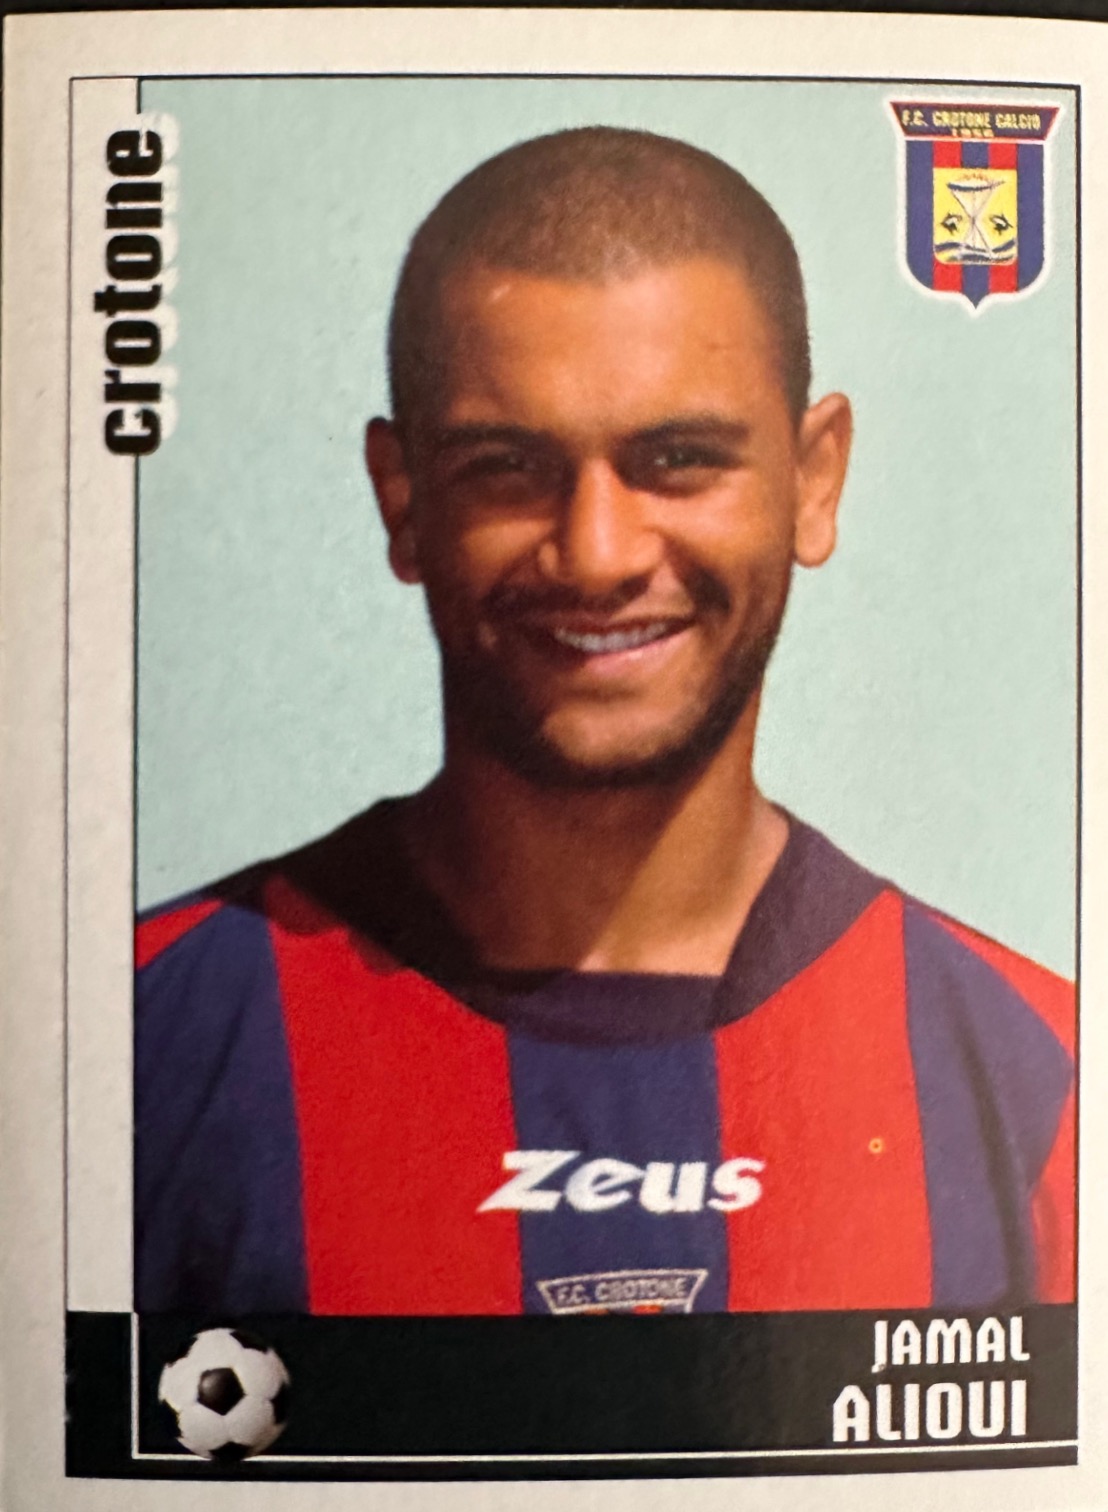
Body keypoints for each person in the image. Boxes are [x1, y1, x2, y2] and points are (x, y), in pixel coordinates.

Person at [135, 126, 1074, 1318]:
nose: (596, 554)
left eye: (677, 460)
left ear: (814, 479)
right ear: (403, 498)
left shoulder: (1040, 1078)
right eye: (507, 467)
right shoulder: (134, 1039)